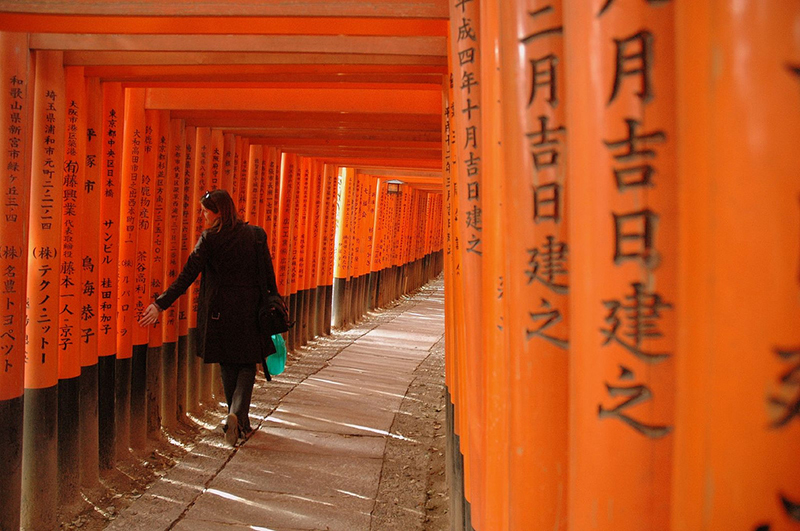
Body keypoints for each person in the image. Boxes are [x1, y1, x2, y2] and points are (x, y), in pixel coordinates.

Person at [139, 189, 280, 446]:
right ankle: (238, 418)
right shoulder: (256, 236)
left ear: (217, 212)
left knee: (227, 363)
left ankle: (235, 419)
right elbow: (268, 275)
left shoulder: (209, 239)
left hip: (220, 313)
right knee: (248, 364)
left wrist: (161, 304)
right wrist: (274, 305)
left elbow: (187, 275)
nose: (202, 215)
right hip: (250, 311)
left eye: (205, 211)